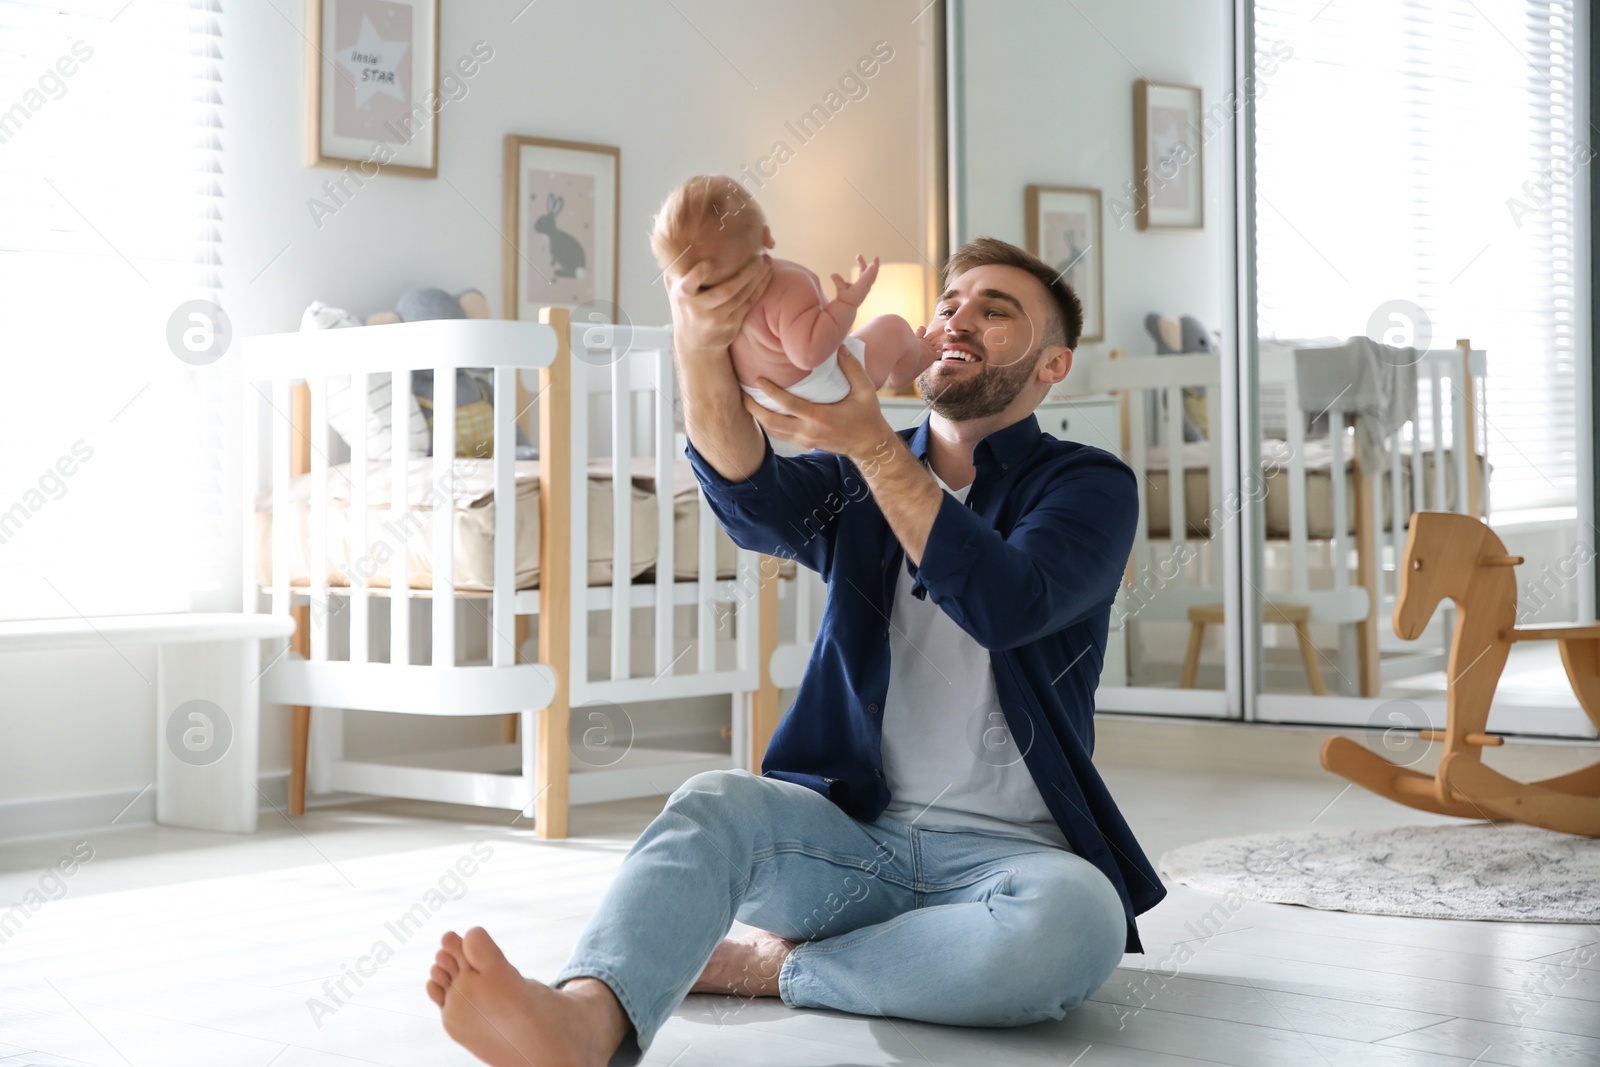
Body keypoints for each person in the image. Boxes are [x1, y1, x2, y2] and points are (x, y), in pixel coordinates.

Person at [426, 236, 1166, 1067]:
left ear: (1052, 366)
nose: (961, 317)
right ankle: (584, 1019)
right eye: (951, 304)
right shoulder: (860, 477)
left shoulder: (1089, 485)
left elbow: (1005, 600)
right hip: (851, 842)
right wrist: (698, 341)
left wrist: (873, 443)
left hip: (1013, 860)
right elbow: (750, 493)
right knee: (714, 803)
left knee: (1080, 924)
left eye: (998, 312)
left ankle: (767, 966)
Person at [649, 174, 937, 412]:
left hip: (759, 396)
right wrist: (847, 303)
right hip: (820, 387)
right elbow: (808, 353)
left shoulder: (706, 309)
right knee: (893, 327)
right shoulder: (787, 283)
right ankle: (912, 363)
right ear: (766, 236)